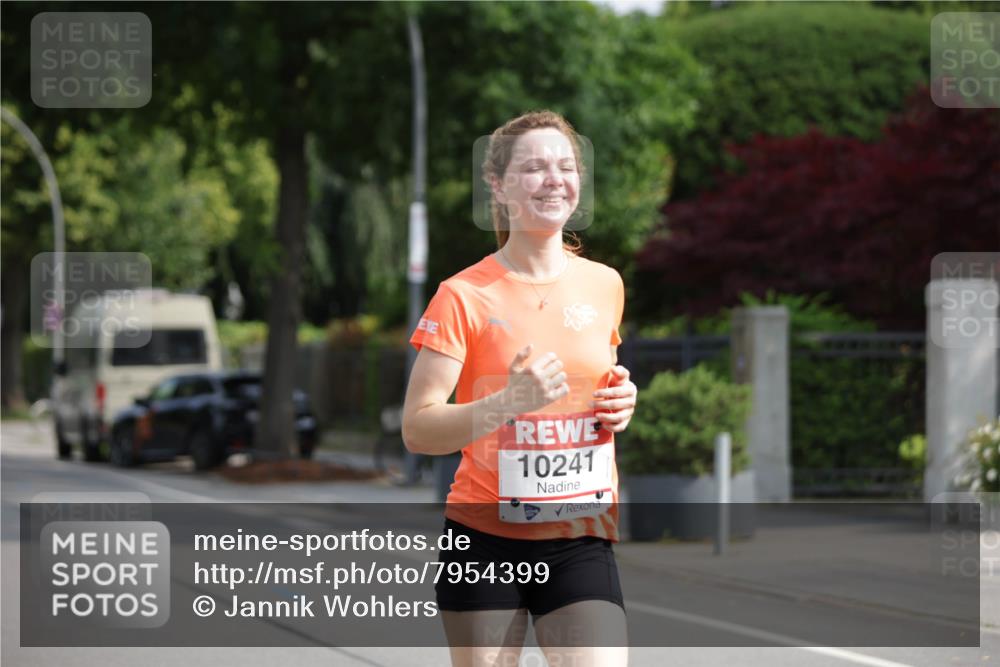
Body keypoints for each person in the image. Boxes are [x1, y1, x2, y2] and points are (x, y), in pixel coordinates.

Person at [402, 110, 637, 667]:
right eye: (533, 168)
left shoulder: (604, 284)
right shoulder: (462, 295)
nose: (553, 179)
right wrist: (508, 402)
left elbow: (597, 385)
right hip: (483, 538)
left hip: (580, 533)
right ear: (499, 186)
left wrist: (622, 400)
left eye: (565, 166)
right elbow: (418, 428)